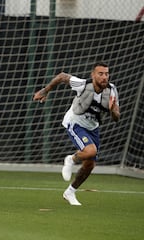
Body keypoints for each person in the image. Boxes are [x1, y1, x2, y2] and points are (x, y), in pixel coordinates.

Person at [33, 62, 120, 206]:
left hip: (93, 128)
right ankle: (71, 159)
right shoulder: (82, 84)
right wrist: (45, 91)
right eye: (100, 74)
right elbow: (61, 76)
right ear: (93, 75)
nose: (104, 77)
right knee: (91, 151)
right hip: (75, 123)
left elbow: (117, 118)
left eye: (106, 74)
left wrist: (112, 110)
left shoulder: (112, 90)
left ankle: (70, 192)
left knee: (90, 164)